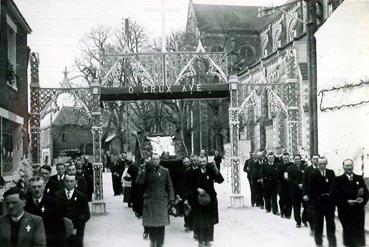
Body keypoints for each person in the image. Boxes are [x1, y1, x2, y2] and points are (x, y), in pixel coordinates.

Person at [136, 153, 175, 247]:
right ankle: (153, 241)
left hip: (162, 200)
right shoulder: (147, 171)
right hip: (150, 200)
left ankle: (160, 243)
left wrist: (171, 199)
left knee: (161, 224)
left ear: (160, 160)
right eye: (153, 159)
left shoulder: (165, 171)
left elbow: (169, 186)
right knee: (152, 223)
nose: (155, 161)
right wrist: (143, 171)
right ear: (151, 160)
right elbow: (139, 182)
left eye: (157, 159)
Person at [184, 156, 224, 247]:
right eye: (201, 161)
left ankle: (208, 240)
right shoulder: (193, 172)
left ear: (207, 161)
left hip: (210, 199)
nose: (202, 163)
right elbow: (189, 186)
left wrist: (216, 170)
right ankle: (200, 240)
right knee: (200, 221)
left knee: (210, 220)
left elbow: (220, 180)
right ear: (198, 162)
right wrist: (197, 189)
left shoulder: (211, 171)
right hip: (198, 200)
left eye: (204, 161)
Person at [332, 159, 369, 247]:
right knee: (348, 232)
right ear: (343, 167)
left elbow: (366, 193)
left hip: (358, 211)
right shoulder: (338, 180)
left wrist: (362, 200)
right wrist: (346, 201)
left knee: (359, 233)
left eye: (350, 165)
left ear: (353, 166)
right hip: (345, 211)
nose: (349, 167)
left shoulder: (359, 178)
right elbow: (335, 196)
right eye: (347, 166)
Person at [25, 176, 68, 247]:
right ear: (29, 189)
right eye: (34, 187)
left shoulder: (53, 203)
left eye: (39, 186)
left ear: (44, 187)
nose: (37, 189)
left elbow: (60, 228)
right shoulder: (25, 204)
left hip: (49, 241)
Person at [54, 174, 90, 247]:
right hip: (61, 229)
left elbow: (86, 214)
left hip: (77, 229)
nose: (69, 183)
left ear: (75, 182)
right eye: (67, 181)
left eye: (71, 181)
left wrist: (76, 224)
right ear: (64, 182)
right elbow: (53, 213)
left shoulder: (81, 196)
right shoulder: (56, 195)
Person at [308, 157, 336, 247]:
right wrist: (316, 199)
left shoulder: (331, 173)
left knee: (331, 224)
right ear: (318, 164)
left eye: (324, 163)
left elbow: (334, 186)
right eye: (320, 164)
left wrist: (330, 195)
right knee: (318, 224)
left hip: (329, 203)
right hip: (318, 203)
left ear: (326, 163)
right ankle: (319, 243)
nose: (322, 166)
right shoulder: (313, 174)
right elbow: (311, 189)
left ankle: (332, 244)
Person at [287, 154, 308, 228]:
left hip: (303, 190)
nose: (297, 160)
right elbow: (290, 179)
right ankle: (298, 222)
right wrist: (298, 184)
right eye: (295, 159)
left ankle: (304, 219)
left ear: (300, 159)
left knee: (306, 206)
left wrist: (303, 184)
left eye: (298, 159)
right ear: (293, 160)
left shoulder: (305, 167)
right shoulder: (290, 168)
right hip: (295, 190)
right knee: (296, 207)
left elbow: (307, 177)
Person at [303, 154, 320, 235]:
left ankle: (318, 230)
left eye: (317, 159)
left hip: (320, 196)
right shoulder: (307, 170)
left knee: (319, 214)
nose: (316, 160)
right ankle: (312, 228)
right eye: (314, 159)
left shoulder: (322, 169)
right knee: (311, 213)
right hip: (310, 196)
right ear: (311, 160)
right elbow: (304, 183)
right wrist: (305, 194)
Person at [277, 152, 293, 219]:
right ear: (282, 158)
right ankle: (282, 211)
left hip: (290, 185)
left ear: (289, 158)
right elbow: (277, 175)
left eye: (287, 158)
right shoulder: (279, 165)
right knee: (282, 199)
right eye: (284, 158)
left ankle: (288, 214)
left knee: (289, 200)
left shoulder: (291, 164)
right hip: (282, 185)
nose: (285, 159)